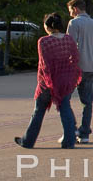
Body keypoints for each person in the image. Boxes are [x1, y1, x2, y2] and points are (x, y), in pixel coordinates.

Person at [15, 13, 82, 149]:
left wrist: (47, 82)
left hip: (48, 82)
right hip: (66, 81)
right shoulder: (69, 40)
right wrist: (71, 77)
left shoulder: (44, 41)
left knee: (39, 110)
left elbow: (44, 64)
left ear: (47, 26)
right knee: (65, 108)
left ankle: (28, 141)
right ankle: (69, 142)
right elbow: (75, 60)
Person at [59, 0, 93, 144]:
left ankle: (71, 129)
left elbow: (70, 45)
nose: (70, 14)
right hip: (90, 66)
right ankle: (84, 133)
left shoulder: (74, 23)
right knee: (87, 102)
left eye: (70, 10)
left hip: (75, 67)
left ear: (75, 9)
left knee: (64, 99)